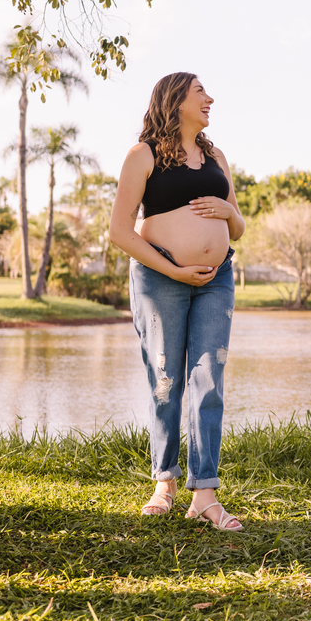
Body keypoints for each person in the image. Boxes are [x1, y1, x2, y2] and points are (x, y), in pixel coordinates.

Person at [108, 72, 246, 531]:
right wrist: (175, 269)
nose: (211, 98)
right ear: (175, 99)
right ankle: (163, 482)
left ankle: (204, 493)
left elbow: (238, 226)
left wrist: (229, 212)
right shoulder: (142, 155)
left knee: (209, 376)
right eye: (200, 92)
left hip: (216, 278)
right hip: (160, 277)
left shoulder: (215, 155)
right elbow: (120, 232)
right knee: (165, 379)